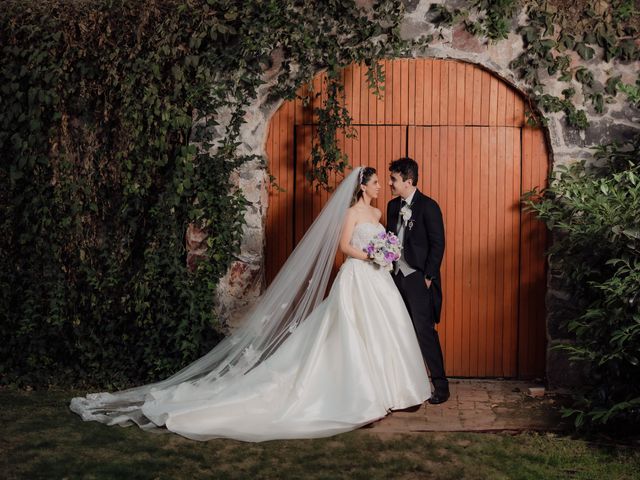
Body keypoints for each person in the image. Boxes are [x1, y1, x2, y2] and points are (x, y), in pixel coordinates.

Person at [70, 166, 430, 442]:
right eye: (376, 182)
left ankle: (387, 391)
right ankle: (355, 395)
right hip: (357, 275)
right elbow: (344, 248)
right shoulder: (351, 213)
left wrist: (385, 255)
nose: (382, 185)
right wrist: (370, 253)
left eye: (385, 181)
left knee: (382, 333)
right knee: (349, 334)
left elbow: (382, 243)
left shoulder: (380, 215)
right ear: (362, 186)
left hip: (377, 279)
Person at [387, 157, 449, 404]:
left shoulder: (429, 206)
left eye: (394, 179)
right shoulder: (392, 207)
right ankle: (404, 386)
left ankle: (441, 386)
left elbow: (438, 244)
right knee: (398, 329)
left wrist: (428, 277)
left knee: (424, 331)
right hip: (394, 277)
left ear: (408, 181)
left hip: (417, 278)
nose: (390, 183)